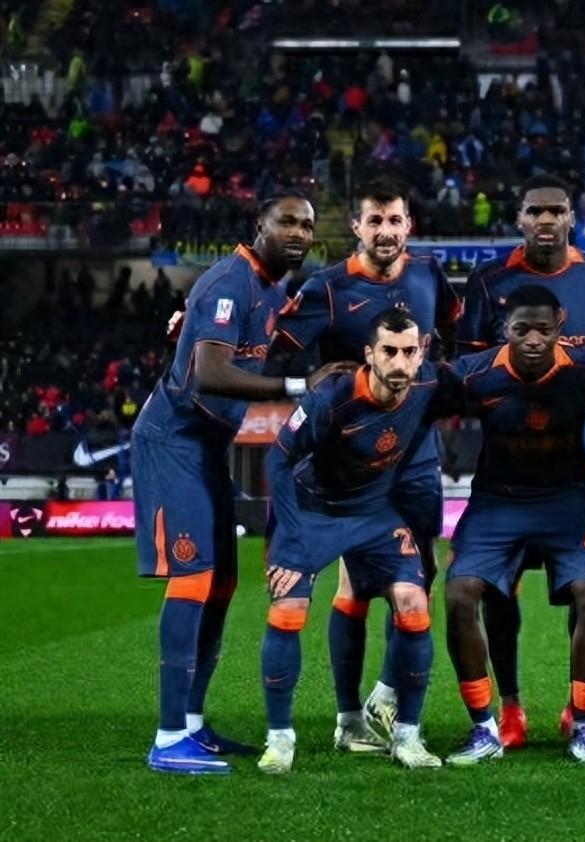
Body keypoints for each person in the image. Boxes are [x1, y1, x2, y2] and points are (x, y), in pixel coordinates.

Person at [266, 177, 460, 752]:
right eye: (374, 221)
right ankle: (348, 715)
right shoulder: (328, 288)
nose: (385, 231)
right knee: (353, 585)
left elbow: (455, 335)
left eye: (394, 220)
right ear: (357, 227)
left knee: (419, 578)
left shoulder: (429, 275)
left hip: (416, 455)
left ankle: (386, 695)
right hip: (351, 464)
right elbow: (274, 346)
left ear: (409, 224)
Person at [133, 192, 319, 774]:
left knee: (222, 582)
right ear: (260, 225)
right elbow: (212, 373)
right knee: (193, 577)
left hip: (209, 443)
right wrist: (297, 388)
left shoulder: (271, 288)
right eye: (286, 221)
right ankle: (168, 739)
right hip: (173, 439)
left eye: (307, 225)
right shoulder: (229, 283)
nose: (298, 232)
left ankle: (192, 723)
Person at [457, 174, 585, 749]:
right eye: (534, 211)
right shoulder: (490, 280)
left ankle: (577, 712)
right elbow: (466, 367)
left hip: (582, 446)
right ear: (519, 218)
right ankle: (509, 707)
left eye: (555, 211)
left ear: (571, 218)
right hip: (507, 449)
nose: (545, 220)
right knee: (498, 590)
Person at [258, 310, 451, 773]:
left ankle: (407, 736)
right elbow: (278, 460)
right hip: (314, 512)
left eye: (409, 352)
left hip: (373, 513)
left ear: (421, 353)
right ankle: (280, 739)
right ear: (369, 354)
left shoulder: (430, 384)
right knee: (288, 608)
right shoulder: (332, 398)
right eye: (389, 351)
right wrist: (289, 533)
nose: (400, 363)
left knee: (414, 602)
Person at [442, 286, 585, 766]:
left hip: (569, 503)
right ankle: (487, 726)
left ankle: (582, 724)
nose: (533, 340)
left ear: (560, 326)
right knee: (460, 595)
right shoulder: (474, 373)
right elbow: (417, 395)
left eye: (543, 329)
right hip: (497, 504)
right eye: (521, 330)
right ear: (505, 329)